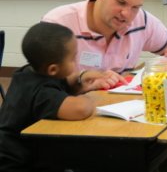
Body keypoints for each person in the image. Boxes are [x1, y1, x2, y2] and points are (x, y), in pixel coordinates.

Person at [0, 23, 103, 172]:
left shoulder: (27, 72)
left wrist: (82, 80)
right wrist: (92, 99)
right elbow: (80, 109)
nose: (76, 61)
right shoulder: (42, 93)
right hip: (18, 164)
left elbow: (65, 82)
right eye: (73, 58)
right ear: (53, 69)